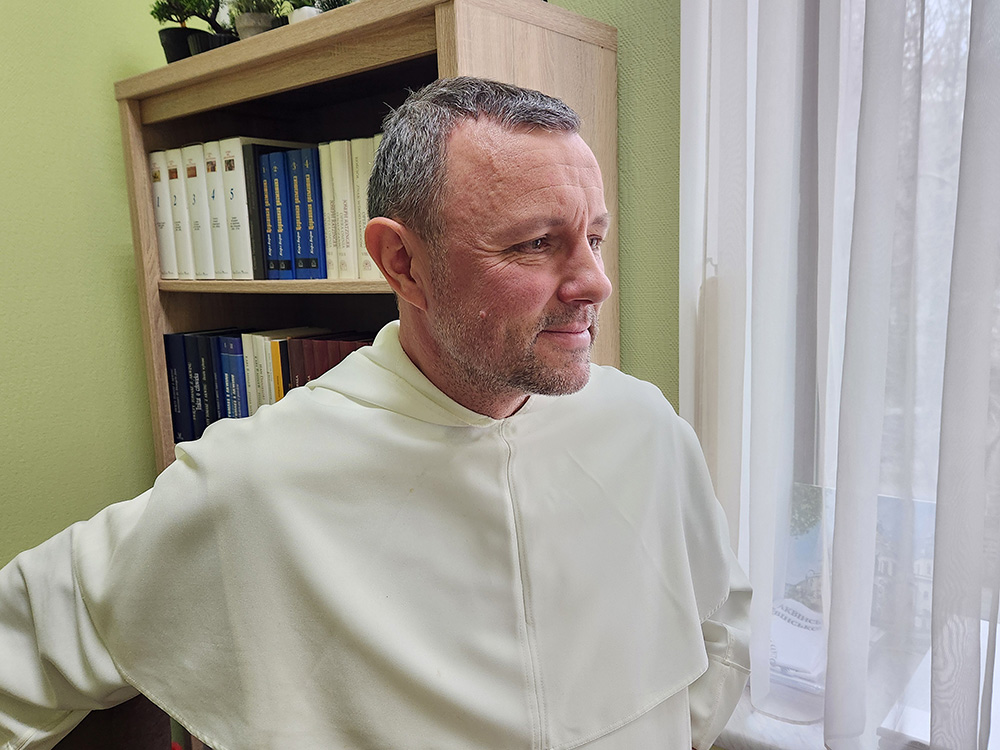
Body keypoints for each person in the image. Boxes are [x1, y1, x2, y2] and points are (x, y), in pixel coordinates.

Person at [0, 77, 749, 750]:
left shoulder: (644, 426)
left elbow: (722, 624)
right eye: (536, 244)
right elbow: (24, 638)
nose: (594, 283)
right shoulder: (259, 478)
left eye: (594, 238)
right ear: (402, 263)